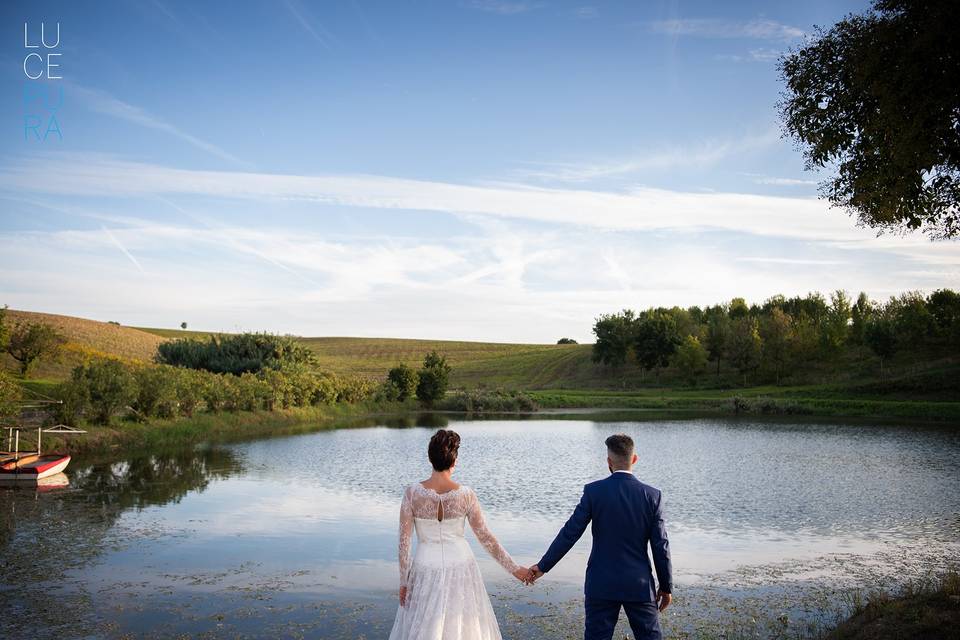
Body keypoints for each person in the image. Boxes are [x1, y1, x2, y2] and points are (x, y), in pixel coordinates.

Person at [388, 429, 532, 640]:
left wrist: (404, 582)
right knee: (461, 627)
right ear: (454, 461)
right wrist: (516, 570)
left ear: (430, 459)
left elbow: (404, 543)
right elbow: (486, 538)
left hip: (425, 567)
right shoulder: (466, 495)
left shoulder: (412, 493)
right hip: (461, 567)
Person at [527, 433, 673, 640]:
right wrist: (666, 587)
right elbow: (661, 546)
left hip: (601, 583)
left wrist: (543, 566)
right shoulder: (652, 495)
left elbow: (570, 533)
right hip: (638, 584)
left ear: (608, 462)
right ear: (634, 459)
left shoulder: (594, 492)